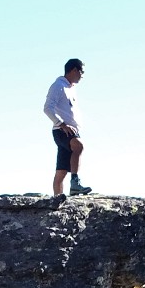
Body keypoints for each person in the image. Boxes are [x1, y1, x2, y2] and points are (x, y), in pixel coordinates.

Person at [43, 58, 91, 197]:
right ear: (74, 70)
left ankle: (57, 199)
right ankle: (75, 183)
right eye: (81, 72)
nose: (82, 75)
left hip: (71, 130)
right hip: (62, 130)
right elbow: (47, 108)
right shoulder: (58, 85)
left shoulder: (71, 88)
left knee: (62, 170)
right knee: (79, 146)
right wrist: (61, 124)